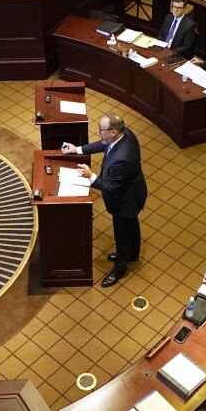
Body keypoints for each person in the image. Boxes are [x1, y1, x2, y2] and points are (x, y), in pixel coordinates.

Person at [61, 114, 148, 288]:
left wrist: (90, 176)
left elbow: (111, 187)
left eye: (101, 130)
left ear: (113, 131)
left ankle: (120, 268)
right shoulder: (125, 133)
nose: (99, 132)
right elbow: (103, 144)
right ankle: (133, 254)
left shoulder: (122, 158)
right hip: (133, 192)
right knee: (132, 224)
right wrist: (77, 149)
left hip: (125, 200)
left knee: (122, 234)